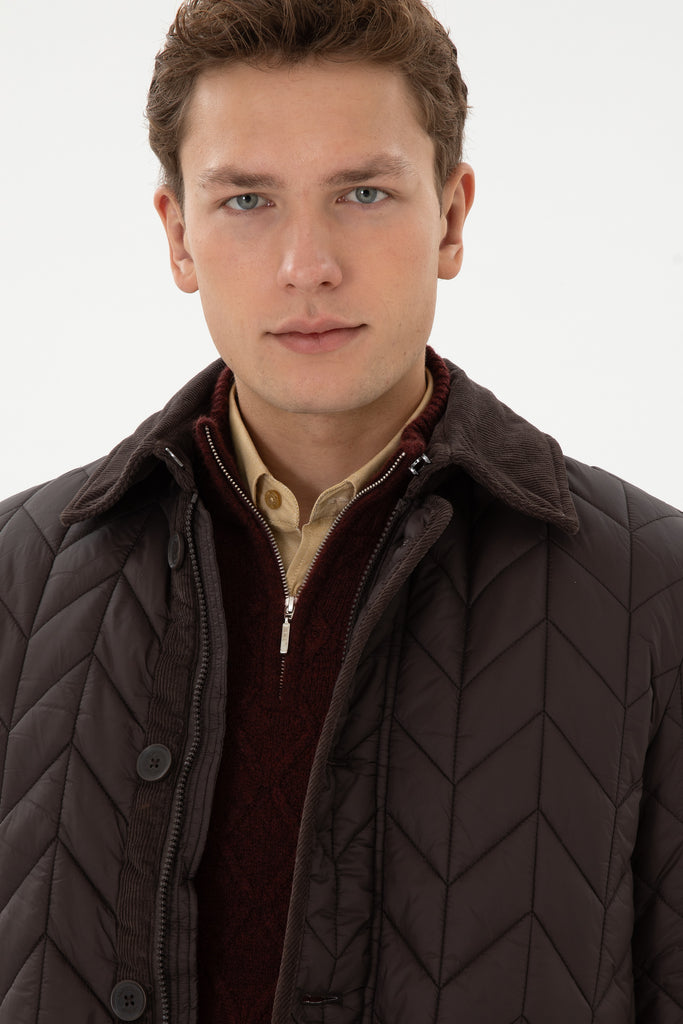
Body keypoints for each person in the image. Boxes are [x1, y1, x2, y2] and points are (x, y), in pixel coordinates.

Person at [0, 0, 682, 1021]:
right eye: (246, 200)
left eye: (363, 192)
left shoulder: (650, 592)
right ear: (177, 235)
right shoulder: (19, 576)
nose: (306, 263)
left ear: (449, 216)